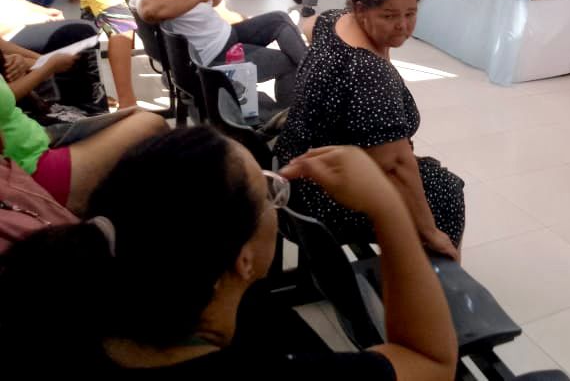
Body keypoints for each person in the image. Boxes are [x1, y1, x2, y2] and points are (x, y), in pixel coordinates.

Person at [0, 126, 458, 378]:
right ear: (243, 258)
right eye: (266, 193)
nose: (274, 198)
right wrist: (388, 207)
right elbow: (431, 361)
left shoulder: (56, 309)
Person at [275, 0, 465, 259]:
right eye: (389, 16)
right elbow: (397, 165)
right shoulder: (368, 72)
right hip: (322, 196)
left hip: (292, 172)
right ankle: (429, 277)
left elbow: (307, 25)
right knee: (445, 190)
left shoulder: (334, 21)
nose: (402, 26)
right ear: (361, 9)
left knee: (430, 174)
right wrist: (430, 231)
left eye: (410, 14)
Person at [129, 0, 307, 107]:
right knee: (288, 63)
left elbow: (208, 2)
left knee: (280, 20)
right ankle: (292, 115)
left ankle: (313, 70)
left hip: (225, 36)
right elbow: (149, 10)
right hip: (215, 55)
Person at [0, 70, 166, 214]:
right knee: (152, 125)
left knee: (135, 118)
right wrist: (46, 68)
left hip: (38, 139)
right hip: (31, 169)